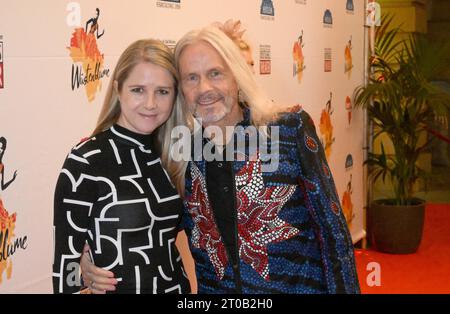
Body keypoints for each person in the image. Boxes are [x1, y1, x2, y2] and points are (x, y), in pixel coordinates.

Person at [81, 25, 360, 294]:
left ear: (236, 77)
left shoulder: (287, 129)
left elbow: (333, 233)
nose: (204, 88)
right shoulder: (179, 152)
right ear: (182, 91)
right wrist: (86, 257)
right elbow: (144, 222)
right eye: (191, 77)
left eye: (215, 73)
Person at [52, 39, 191, 294]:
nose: (150, 103)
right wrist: (82, 268)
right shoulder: (87, 160)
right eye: (138, 89)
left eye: (162, 91)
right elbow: (65, 266)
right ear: (118, 89)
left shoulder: (176, 155)